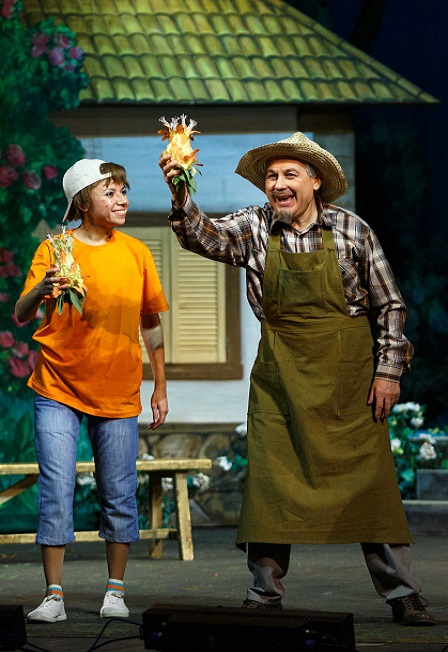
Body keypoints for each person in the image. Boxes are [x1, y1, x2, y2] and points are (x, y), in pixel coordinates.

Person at [158, 132, 435, 626]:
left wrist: (388, 372)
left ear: (315, 181)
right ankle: (264, 593)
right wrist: (181, 191)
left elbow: (389, 305)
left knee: (372, 485)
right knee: (271, 481)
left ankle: (403, 594)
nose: (278, 184)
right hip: (280, 377)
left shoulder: (351, 230)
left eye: (290, 174)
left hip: (349, 379)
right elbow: (203, 236)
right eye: (271, 176)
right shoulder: (254, 225)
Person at [16, 159, 169, 623]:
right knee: (56, 488)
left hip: (117, 387)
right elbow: (22, 312)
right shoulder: (56, 249)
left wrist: (160, 385)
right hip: (57, 385)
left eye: (124, 191)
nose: (122, 200)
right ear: (83, 202)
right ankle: (54, 596)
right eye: (111, 192)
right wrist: (43, 287)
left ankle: (115, 591)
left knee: (119, 491)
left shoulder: (136, 253)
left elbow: (151, 323)